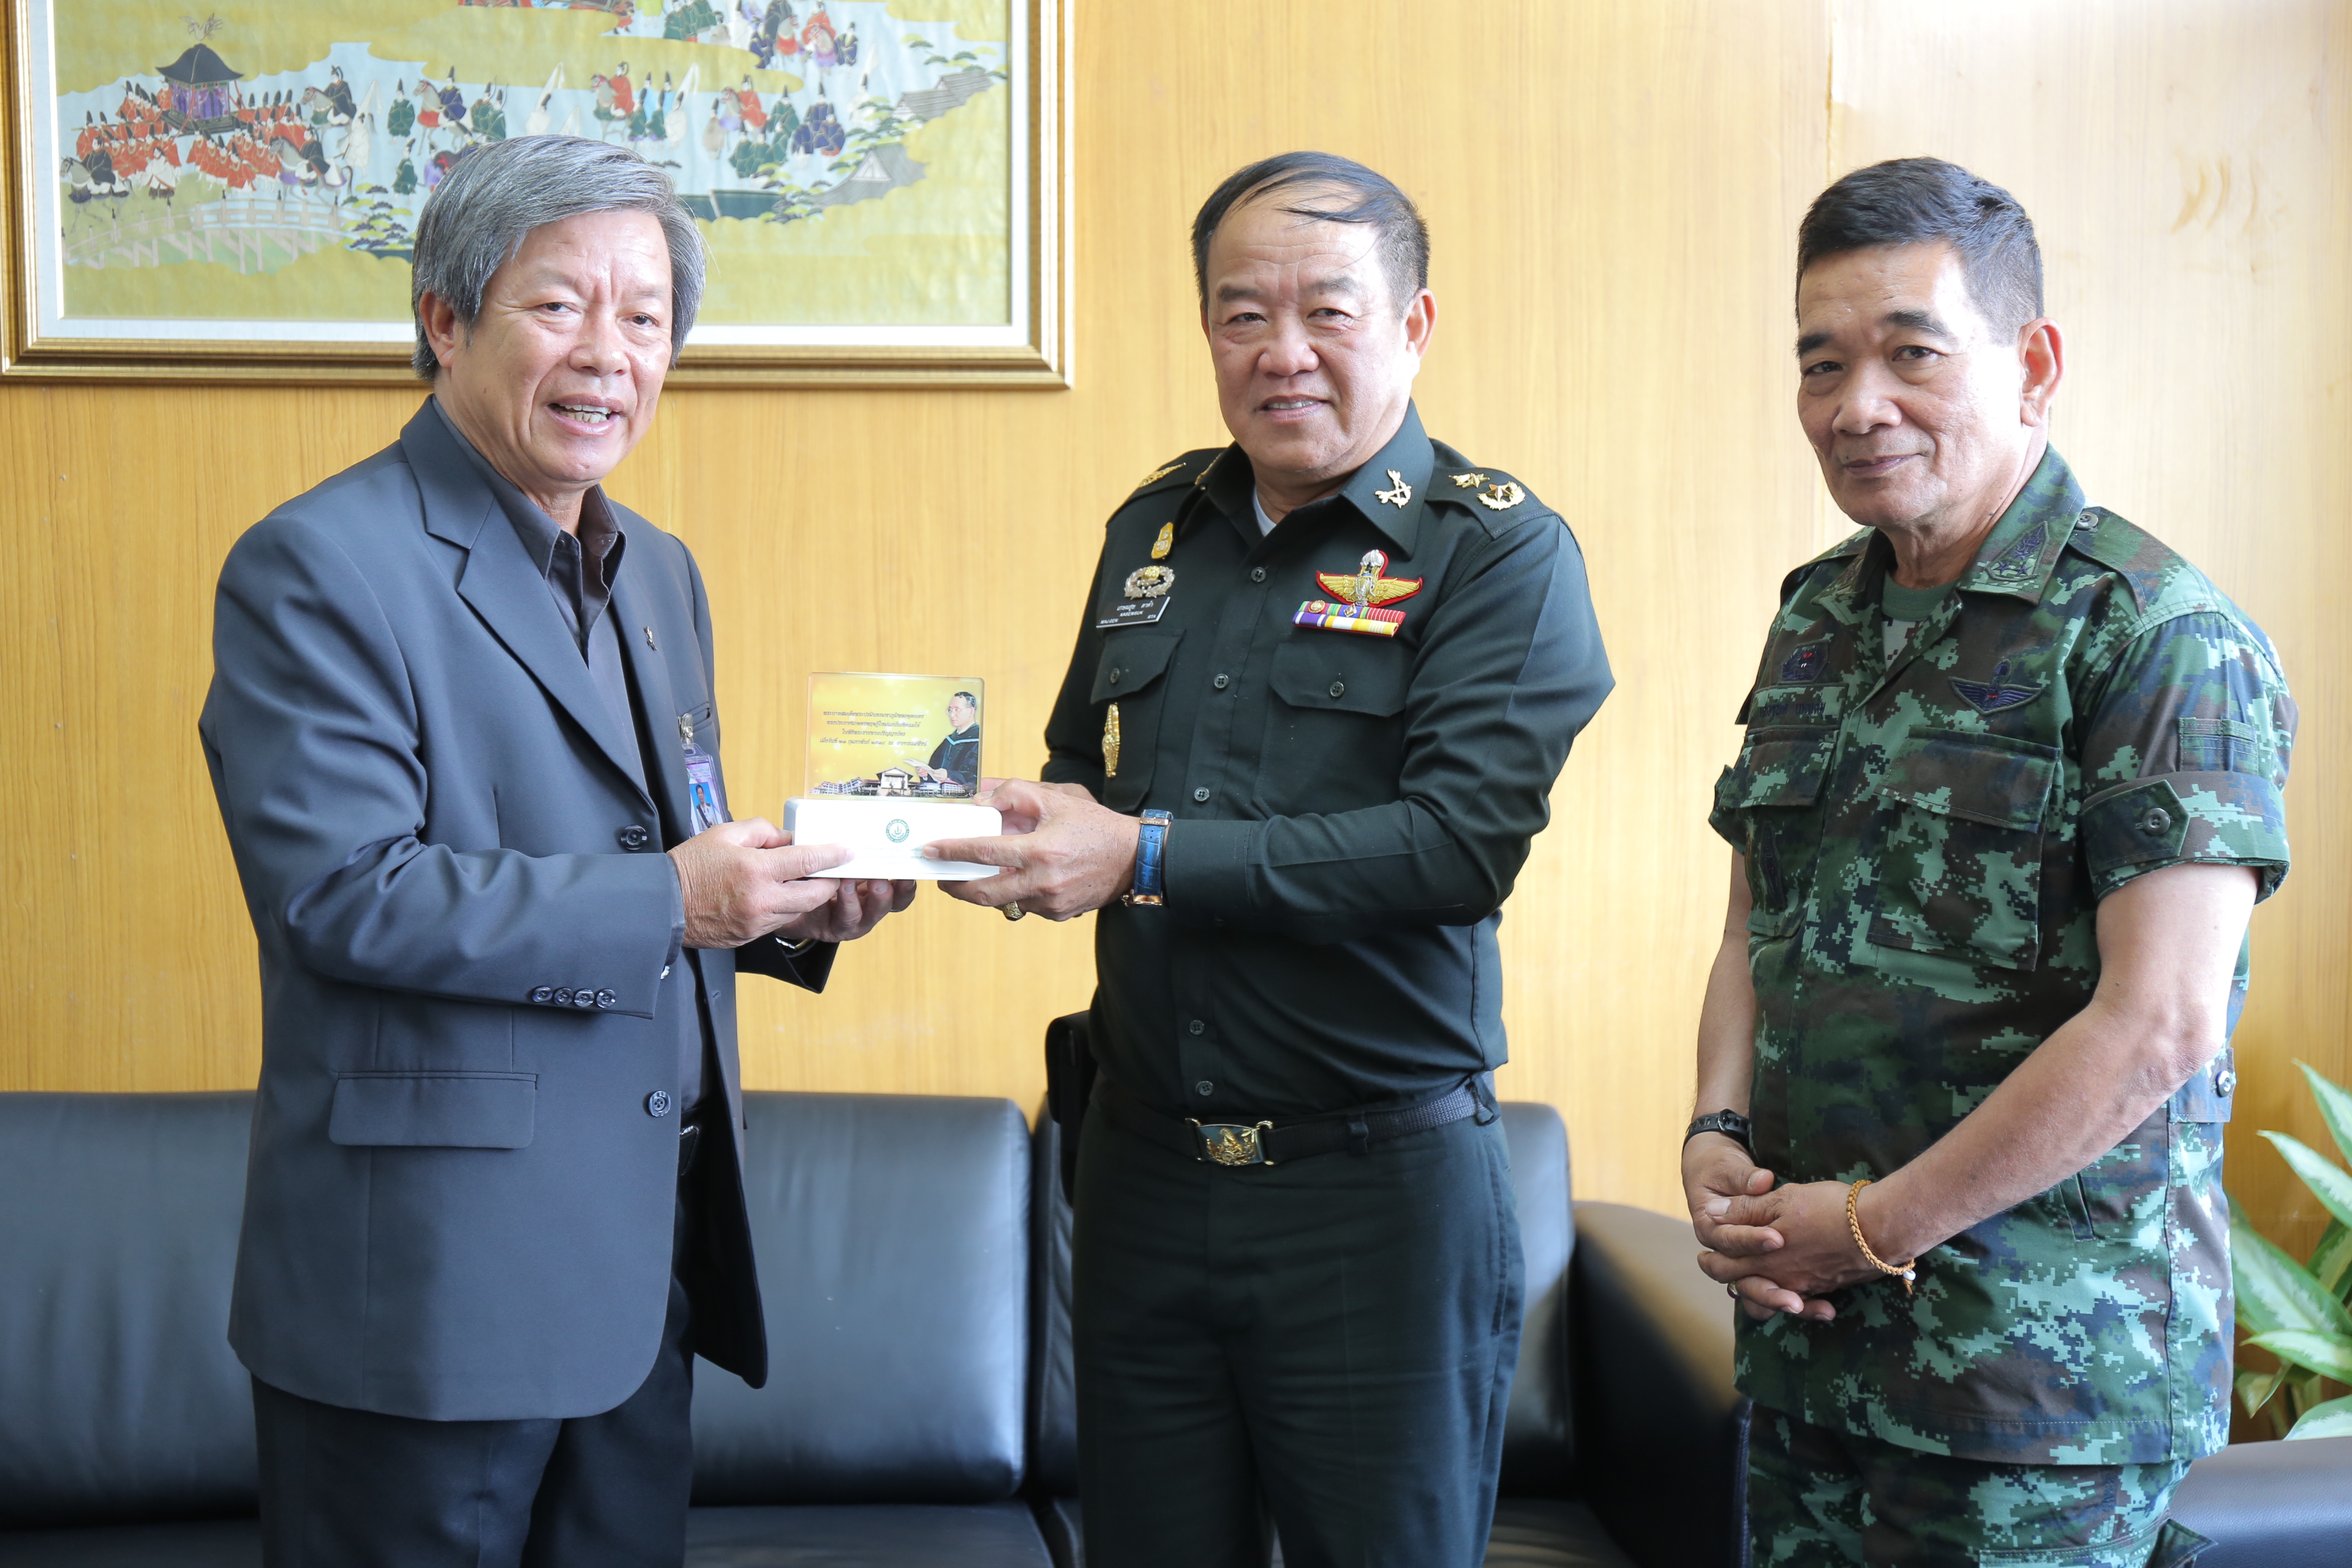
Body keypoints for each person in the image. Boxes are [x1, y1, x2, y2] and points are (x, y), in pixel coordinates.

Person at [199, 135, 914, 1567]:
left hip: (640, 1272)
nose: (609, 353)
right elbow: (345, 894)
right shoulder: (319, 563)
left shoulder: (658, 569)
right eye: (558, 305)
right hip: (431, 1291)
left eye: (645, 315)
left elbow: (660, 851)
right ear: (445, 318)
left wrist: (789, 905)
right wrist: (682, 897)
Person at [928, 152, 1613, 1567]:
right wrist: (977, 832)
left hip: (1372, 1194)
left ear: (1413, 326)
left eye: (1326, 311)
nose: (1281, 351)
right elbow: (1084, 774)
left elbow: (1455, 847)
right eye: (1242, 313)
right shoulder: (1154, 528)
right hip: (1141, 1174)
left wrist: (1140, 853)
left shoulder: (1496, 553)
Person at [1687, 157, 2295, 1568]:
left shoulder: (2154, 634)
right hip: (1812, 1352)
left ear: (2032, 365)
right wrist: (1717, 1129)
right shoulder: (1814, 618)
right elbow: (1750, 925)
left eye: (1911, 353)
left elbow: (2160, 1023)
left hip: (2037, 1390)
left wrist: (1868, 1226)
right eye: (1821, 363)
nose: (1857, 405)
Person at [914, 690, 980, 793]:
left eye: (957, 710)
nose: (952, 714)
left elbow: (977, 776)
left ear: (971, 711)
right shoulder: (949, 741)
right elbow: (934, 768)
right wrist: (926, 774)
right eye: (950, 710)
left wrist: (949, 775)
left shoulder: (979, 739)